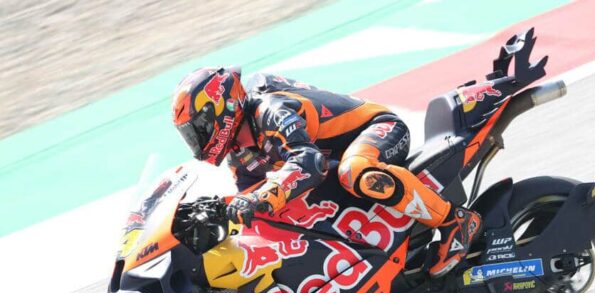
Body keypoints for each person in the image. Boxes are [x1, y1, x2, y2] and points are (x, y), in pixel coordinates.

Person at [171, 66, 482, 277]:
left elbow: (309, 163)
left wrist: (262, 197)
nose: (196, 140)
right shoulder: (239, 156)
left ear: (221, 109)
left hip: (381, 130)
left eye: (197, 129)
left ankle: (454, 221)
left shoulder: (270, 111)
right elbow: (251, 200)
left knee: (356, 171)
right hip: (339, 159)